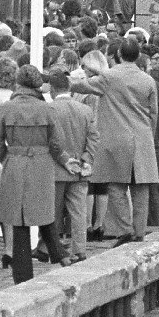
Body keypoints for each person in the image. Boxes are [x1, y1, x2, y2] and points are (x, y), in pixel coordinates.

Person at [69, 37, 159, 244]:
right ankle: (139, 231)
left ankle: (124, 229)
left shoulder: (109, 77)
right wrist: (149, 136)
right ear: (138, 55)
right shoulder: (148, 80)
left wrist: (57, 79)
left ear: (118, 54)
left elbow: (82, 86)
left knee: (116, 186)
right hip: (142, 137)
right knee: (141, 189)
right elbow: (153, 113)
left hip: (116, 138)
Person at [0, 65, 77, 282]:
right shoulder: (47, 109)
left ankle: (23, 276)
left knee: (19, 219)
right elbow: (57, 143)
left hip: (14, 163)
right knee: (44, 213)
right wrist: (60, 158)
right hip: (41, 164)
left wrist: (8, 158)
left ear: (18, 83)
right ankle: (59, 255)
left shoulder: (6, 108)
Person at [46, 67, 97, 260]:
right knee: (79, 212)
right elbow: (94, 137)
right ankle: (79, 250)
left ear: (52, 89)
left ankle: (52, 249)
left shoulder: (49, 109)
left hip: (56, 168)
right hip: (80, 169)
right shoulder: (85, 110)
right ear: (70, 88)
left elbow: (51, 140)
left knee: (53, 212)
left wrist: (64, 158)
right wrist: (87, 158)